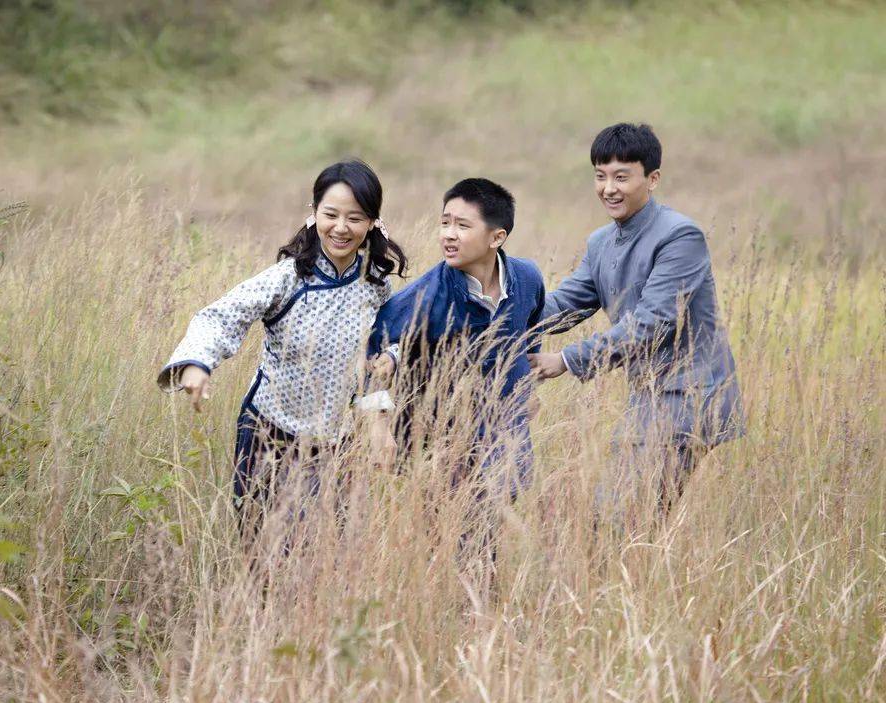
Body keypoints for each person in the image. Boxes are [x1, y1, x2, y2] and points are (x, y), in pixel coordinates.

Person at [157, 159, 408, 541]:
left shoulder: (375, 288)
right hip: (268, 436)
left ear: (373, 222)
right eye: (331, 215)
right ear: (313, 215)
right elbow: (221, 317)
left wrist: (385, 387)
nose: (341, 228)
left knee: (323, 555)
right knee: (264, 553)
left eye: (355, 218)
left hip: (335, 447)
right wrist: (197, 364)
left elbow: (383, 356)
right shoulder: (289, 278)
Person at [529, 123, 744, 523]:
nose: (609, 188)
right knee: (628, 522)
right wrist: (500, 311)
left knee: (617, 518)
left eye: (621, 176)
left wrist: (568, 360)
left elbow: (653, 322)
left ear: (653, 178)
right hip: (647, 397)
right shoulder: (601, 242)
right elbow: (564, 305)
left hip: (688, 395)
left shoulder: (680, 236)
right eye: (600, 176)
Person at [366, 178, 546, 507]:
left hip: (506, 429)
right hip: (446, 443)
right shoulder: (426, 296)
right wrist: (379, 425)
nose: (448, 234)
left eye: (462, 225)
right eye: (445, 222)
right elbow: (372, 349)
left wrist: (528, 384)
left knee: (507, 493)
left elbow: (531, 329)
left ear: (497, 237)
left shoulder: (528, 278)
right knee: (462, 526)